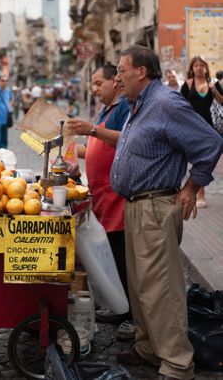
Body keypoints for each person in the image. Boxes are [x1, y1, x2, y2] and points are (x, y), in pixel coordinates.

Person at [112, 45, 223, 380]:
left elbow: (210, 143)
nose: (118, 77)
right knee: (140, 285)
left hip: (155, 207)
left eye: (121, 70)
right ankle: (148, 347)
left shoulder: (166, 103)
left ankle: (176, 364)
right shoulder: (139, 104)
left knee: (161, 289)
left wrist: (192, 186)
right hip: (136, 205)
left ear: (141, 72)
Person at [67, 64, 133, 339]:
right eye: (93, 84)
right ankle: (118, 307)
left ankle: (130, 316)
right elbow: (95, 149)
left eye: (98, 83)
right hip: (101, 196)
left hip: (116, 196)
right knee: (109, 257)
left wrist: (92, 129)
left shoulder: (122, 110)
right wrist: (67, 149)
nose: (94, 89)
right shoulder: (106, 110)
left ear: (115, 83)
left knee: (121, 259)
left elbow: (126, 140)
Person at [180, 56, 223, 207]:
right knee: (198, 161)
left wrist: (214, 90)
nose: (198, 68)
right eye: (196, 65)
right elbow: (180, 104)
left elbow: (221, 101)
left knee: (212, 160)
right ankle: (200, 195)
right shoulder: (188, 84)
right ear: (192, 69)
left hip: (211, 128)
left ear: (205, 67)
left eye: (201, 65)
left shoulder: (212, 84)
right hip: (193, 128)